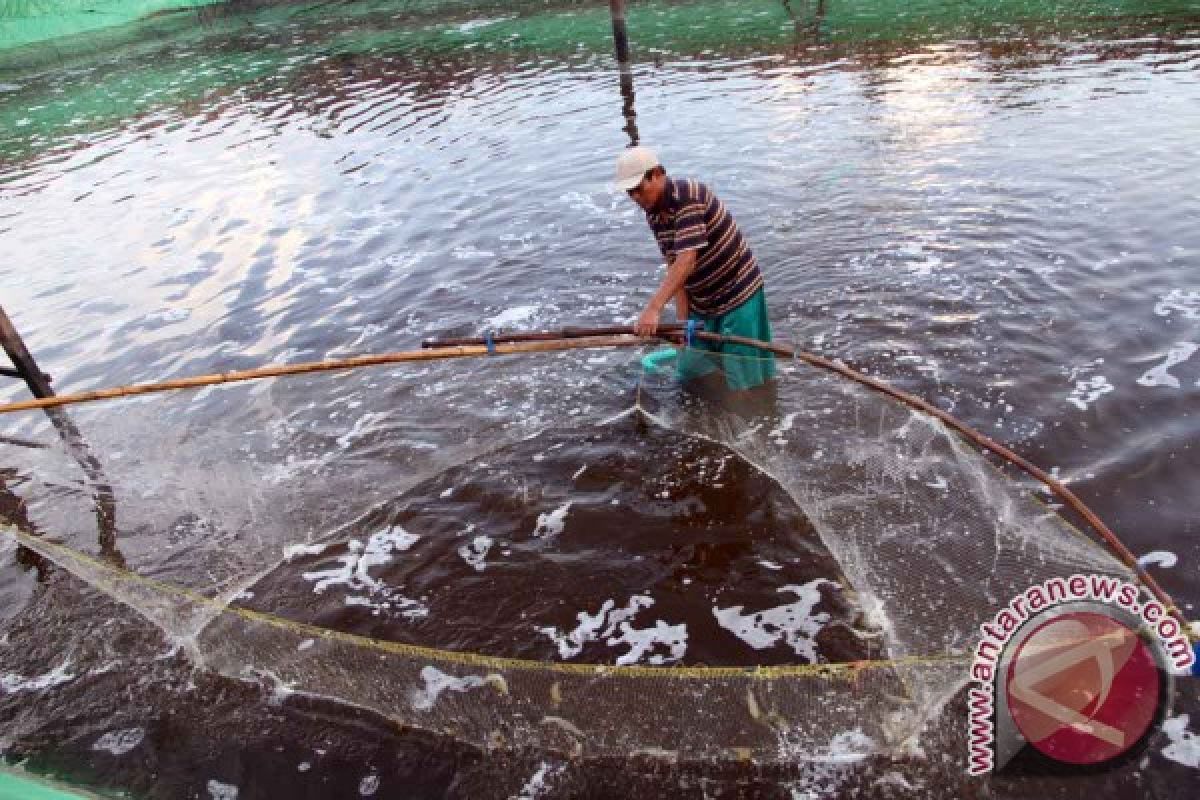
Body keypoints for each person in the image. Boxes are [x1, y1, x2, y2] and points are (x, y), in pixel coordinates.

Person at [615, 146, 775, 391]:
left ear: (657, 174)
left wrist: (654, 308)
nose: (636, 197)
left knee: (745, 379)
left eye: (639, 188)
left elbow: (686, 260)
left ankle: (757, 421)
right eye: (630, 192)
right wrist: (683, 322)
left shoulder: (688, 196)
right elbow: (674, 266)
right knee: (691, 371)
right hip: (704, 302)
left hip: (738, 294)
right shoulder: (654, 214)